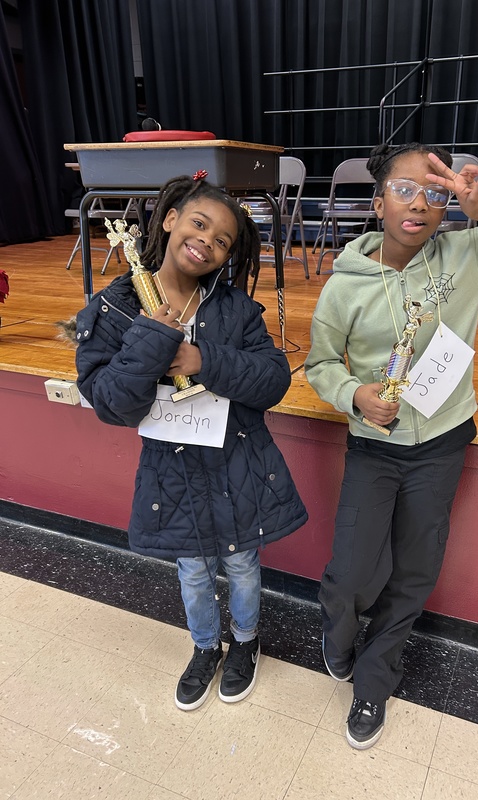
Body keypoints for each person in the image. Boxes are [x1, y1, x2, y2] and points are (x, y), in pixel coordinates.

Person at [304, 142, 478, 750]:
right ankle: (339, 638)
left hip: (443, 442)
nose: (419, 203)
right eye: (403, 189)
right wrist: (354, 394)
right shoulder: (345, 284)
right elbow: (320, 364)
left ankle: (375, 676)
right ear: (377, 203)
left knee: (416, 568)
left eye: (434, 191)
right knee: (348, 574)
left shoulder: (467, 254)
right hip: (375, 443)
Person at [75, 174, 307, 711]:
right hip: (171, 473)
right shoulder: (114, 308)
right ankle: (206, 647)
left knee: (245, 565)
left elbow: (273, 380)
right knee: (194, 572)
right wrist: (153, 340)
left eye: (224, 240)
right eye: (199, 223)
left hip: (239, 462)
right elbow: (110, 401)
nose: (207, 241)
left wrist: (203, 361)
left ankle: (246, 643)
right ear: (171, 217)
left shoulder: (235, 310)